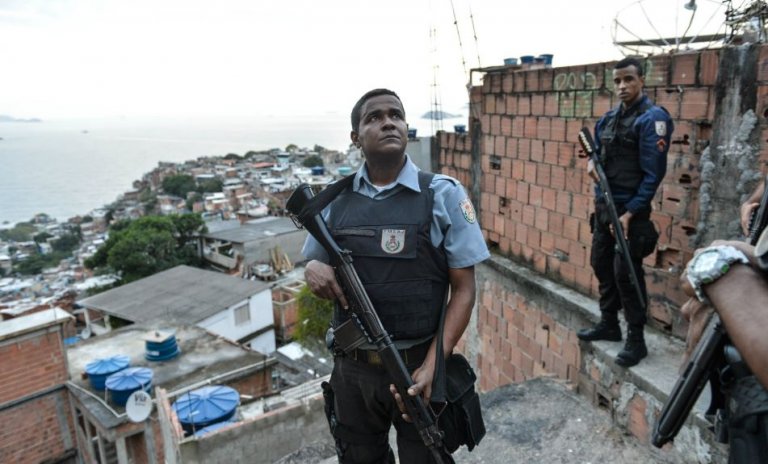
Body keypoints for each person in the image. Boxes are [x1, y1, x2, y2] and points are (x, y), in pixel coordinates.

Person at [301, 88, 489, 463]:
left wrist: (434, 365)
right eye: (374, 117)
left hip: (419, 367)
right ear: (355, 138)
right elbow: (313, 264)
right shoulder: (333, 201)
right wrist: (312, 268)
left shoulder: (442, 194)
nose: (388, 122)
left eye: (396, 115)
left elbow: (464, 291)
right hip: (352, 372)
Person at [577, 57, 674, 367]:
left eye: (628, 80)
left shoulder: (652, 119)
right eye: (617, 81)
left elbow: (653, 175)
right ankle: (609, 324)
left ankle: (636, 338)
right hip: (605, 208)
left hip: (631, 212)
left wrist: (631, 211)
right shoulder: (607, 120)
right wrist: (593, 169)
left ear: (641, 80)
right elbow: (599, 162)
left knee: (627, 274)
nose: (622, 86)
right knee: (600, 263)